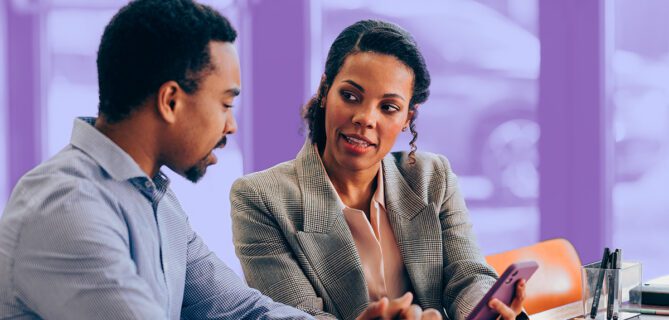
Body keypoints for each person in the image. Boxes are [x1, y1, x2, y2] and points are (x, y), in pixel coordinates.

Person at [231, 20, 528, 320]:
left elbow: (467, 277)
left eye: (388, 107)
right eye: (350, 96)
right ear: (325, 90)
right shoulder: (259, 199)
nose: (365, 118)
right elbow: (299, 316)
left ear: (407, 117)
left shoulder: (432, 177)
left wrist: (487, 308)